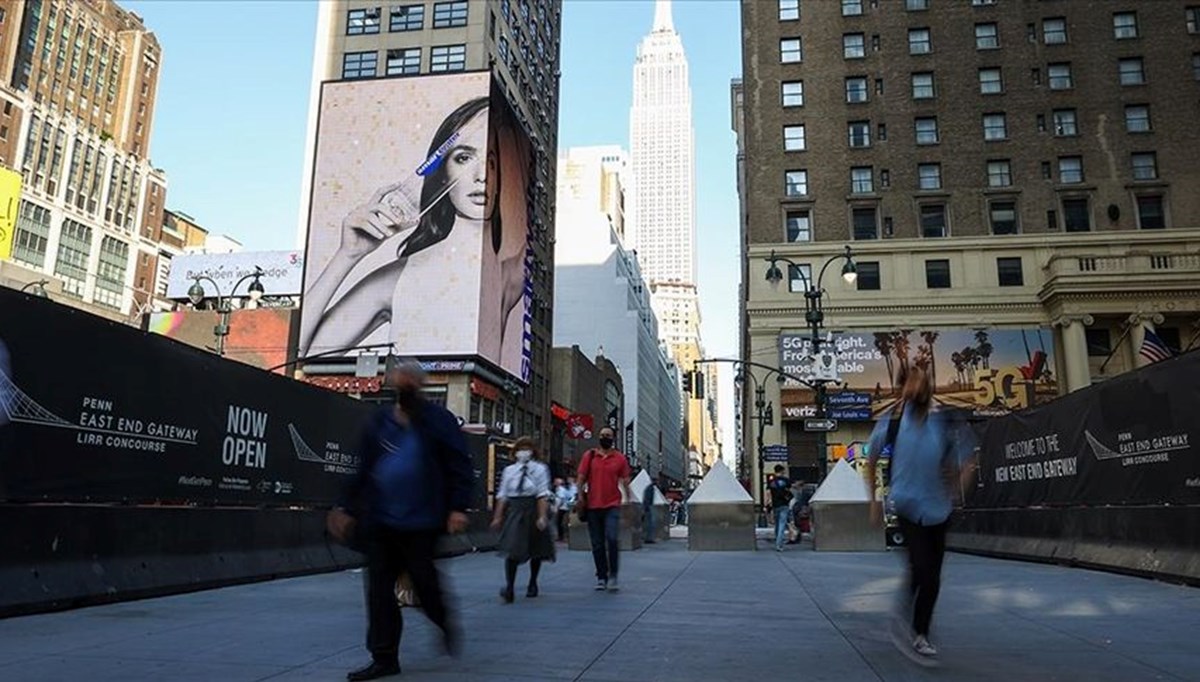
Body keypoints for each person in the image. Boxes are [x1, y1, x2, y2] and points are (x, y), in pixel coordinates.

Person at [299, 96, 527, 372]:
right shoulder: (400, 277)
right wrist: (348, 255)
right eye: (464, 158)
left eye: (494, 161)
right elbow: (299, 357)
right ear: (441, 171)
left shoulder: (511, 273)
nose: (482, 175)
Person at [328, 360, 475, 682]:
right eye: (400, 379)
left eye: (411, 380)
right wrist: (345, 507)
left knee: (425, 583)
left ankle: (442, 619)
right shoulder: (379, 422)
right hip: (380, 521)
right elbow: (362, 468)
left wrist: (457, 507)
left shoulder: (438, 420)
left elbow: (458, 465)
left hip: (421, 522)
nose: (405, 384)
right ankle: (383, 657)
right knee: (380, 591)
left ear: (420, 385)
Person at [866, 366, 977, 666]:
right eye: (910, 383)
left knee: (931, 576)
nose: (916, 387)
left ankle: (918, 628)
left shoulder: (946, 421)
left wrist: (958, 486)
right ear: (902, 389)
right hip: (906, 503)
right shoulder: (892, 422)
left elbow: (969, 459)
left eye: (920, 382)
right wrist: (874, 501)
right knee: (922, 566)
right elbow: (871, 458)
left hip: (939, 507)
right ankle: (918, 631)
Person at [490, 437, 555, 602]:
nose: (523, 451)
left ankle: (533, 582)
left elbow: (542, 493)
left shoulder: (540, 469)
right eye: (520, 448)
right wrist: (497, 517)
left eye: (527, 448)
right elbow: (503, 495)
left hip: (532, 507)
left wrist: (542, 516)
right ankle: (509, 587)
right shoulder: (509, 470)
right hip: (515, 510)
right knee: (512, 548)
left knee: (536, 548)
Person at [577, 426, 633, 592]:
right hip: (592, 506)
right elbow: (580, 478)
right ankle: (602, 576)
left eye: (608, 435)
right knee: (597, 544)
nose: (605, 437)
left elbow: (625, 481)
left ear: (613, 438)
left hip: (612, 506)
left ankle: (613, 575)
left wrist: (628, 500)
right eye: (602, 435)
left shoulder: (619, 458)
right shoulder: (590, 456)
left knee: (612, 538)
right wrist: (580, 497)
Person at [767, 465, 793, 552]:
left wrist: (768, 504)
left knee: (777, 524)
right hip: (784, 504)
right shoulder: (786, 480)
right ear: (782, 471)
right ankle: (779, 544)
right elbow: (790, 489)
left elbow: (768, 493)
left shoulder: (771, 481)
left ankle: (777, 541)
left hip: (775, 505)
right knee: (782, 524)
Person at [554, 477, 577, 542]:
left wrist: (556, 507)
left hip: (564, 507)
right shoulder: (566, 488)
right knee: (561, 522)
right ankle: (562, 536)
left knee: (563, 522)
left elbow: (561, 499)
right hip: (566, 507)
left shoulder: (561, 489)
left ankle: (564, 536)